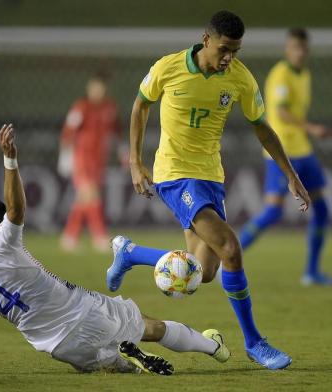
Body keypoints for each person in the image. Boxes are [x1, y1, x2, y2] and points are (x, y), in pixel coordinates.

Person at [106, 11, 311, 370]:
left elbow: (262, 127)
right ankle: (255, 343)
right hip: (174, 174)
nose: (229, 57)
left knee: (203, 270)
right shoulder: (169, 68)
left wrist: (290, 174)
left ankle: (130, 252)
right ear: (206, 40)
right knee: (231, 248)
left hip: (211, 177)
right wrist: (136, 164)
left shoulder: (240, 79)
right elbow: (140, 106)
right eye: (224, 49)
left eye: (236, 50)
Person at [0, 124, 230, 375]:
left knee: (114, 366)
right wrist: (10, 159)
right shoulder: (0, 239)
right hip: (82, 310)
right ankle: (213, 346)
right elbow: (16, 209)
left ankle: (124, 358)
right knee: (152, 328)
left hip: (59, 347)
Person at [239, 28, 331, 285]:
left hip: (304, 150)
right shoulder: (281, 74)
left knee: (322, 209)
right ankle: (231, 256)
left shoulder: (305, 75)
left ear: (307, 50)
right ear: (287, 50)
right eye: (294, 48)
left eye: (302, 48)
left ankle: (311, 272)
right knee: (273, 210)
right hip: (282, 151)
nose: (299, 53)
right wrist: (313, 128)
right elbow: (280, 113)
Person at [58, 76, 126, 252]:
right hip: (81, 157)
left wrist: (123, 152)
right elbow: (68, 131)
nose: (98, 92)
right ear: (89, 89)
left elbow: (118, 132)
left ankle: (69, 237)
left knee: (84, 198)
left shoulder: (109, 108)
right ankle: (99, 236)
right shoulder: (81, 107)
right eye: (95, 88)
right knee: (91, 195)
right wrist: (65, 156)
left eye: (101, 88)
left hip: (98, 159)